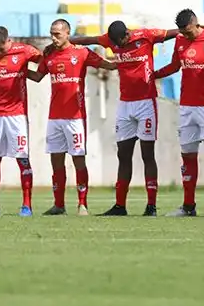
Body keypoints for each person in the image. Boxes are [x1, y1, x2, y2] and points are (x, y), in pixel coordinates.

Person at [67, 20, 177, 216]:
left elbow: (173, 32)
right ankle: (120, 206)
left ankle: (151, 206)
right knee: (123, 155)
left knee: (147, 155)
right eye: (117, 43)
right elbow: (89, 39)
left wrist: (199, 29)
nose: (121, 44)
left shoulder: (145, 36)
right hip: (125, 104)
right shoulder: (111, 41)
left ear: (128, 33)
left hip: (146, 103)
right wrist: (68, 40)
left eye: (123, 40)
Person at [31, 19, 118, 216]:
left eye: (57, 34)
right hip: (54, 118)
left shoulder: (81, 53)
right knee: (56, 162)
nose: (53, 38)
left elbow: (107, 65)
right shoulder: (49, 55)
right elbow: (37, 77)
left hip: (75, 117)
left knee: (78, 160)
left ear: (67, 33)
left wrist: (126, 61)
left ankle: (82, 204)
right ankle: (59, 205)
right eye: (51, 34)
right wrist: (14, 71)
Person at [153, 9, 204, 217]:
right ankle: (188, 206)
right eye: (182, 33)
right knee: (187, 157)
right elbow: (175, 66)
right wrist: (154, 75)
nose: (185, 36)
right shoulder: (180, 40)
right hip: (186, 107)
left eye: (188, 32)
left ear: (196, 24)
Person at [0, 26, 43, 217]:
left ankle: (27, 205)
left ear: (8, 40)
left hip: (17, 116)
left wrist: (31, 73)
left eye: (1, 48)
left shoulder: (24, 51)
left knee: (22, 160)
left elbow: (45, 61)